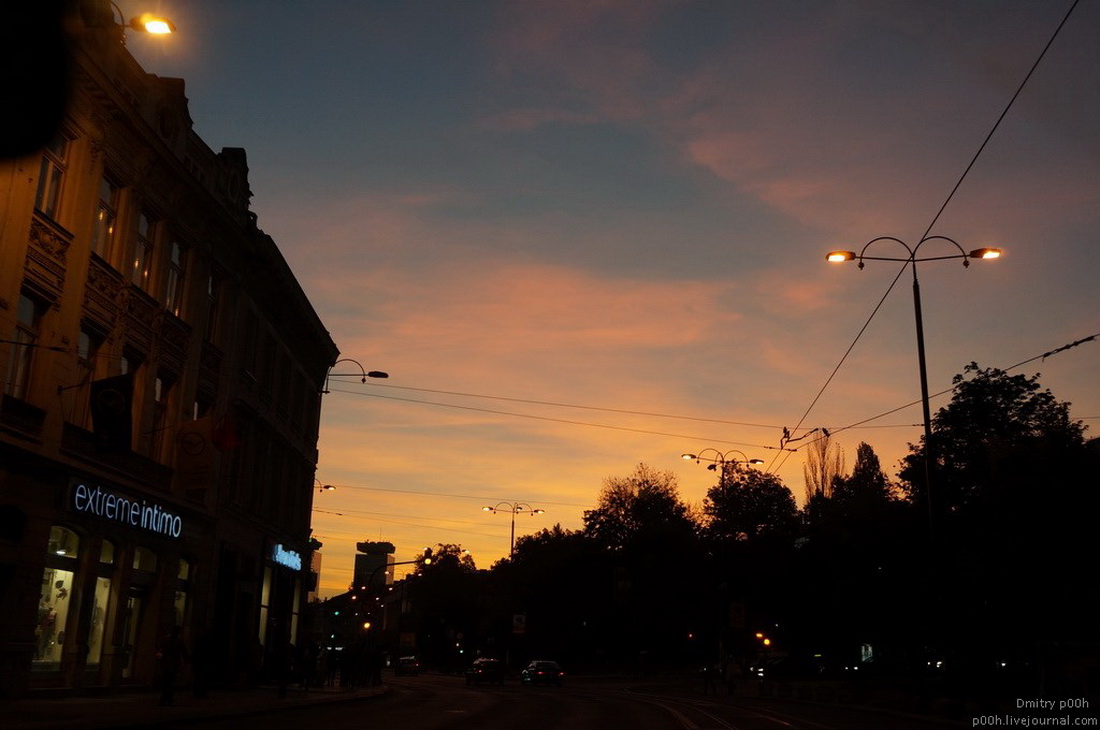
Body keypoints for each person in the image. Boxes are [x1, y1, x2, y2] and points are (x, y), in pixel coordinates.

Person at [156, 626, 188, 706]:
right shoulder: (179, 641)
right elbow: (184, 652)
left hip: (165, 663)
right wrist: (186, 660)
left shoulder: (166, 639)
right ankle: (168, 698)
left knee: (166, 681)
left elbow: (160, 649)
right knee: (170, 681)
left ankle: (165, 698)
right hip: (173, 663)